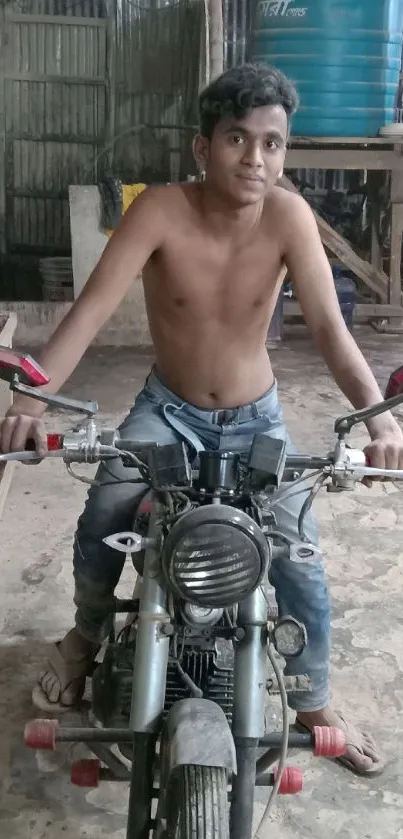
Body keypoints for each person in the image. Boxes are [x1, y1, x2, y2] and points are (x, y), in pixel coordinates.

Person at [1, 63, 402, 776]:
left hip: (258, 419)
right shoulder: (158, 209)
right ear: (201, 147)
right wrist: (30, 402)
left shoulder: (288, 217)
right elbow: (87, 316)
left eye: (272, 144)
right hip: (168, 411)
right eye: (236, 139)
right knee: (105, 513)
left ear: (284, 150)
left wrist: (377, 420)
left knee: (298, 559)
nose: (255, 159)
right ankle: (84, 638)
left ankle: (311, 697)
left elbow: (335, 335)